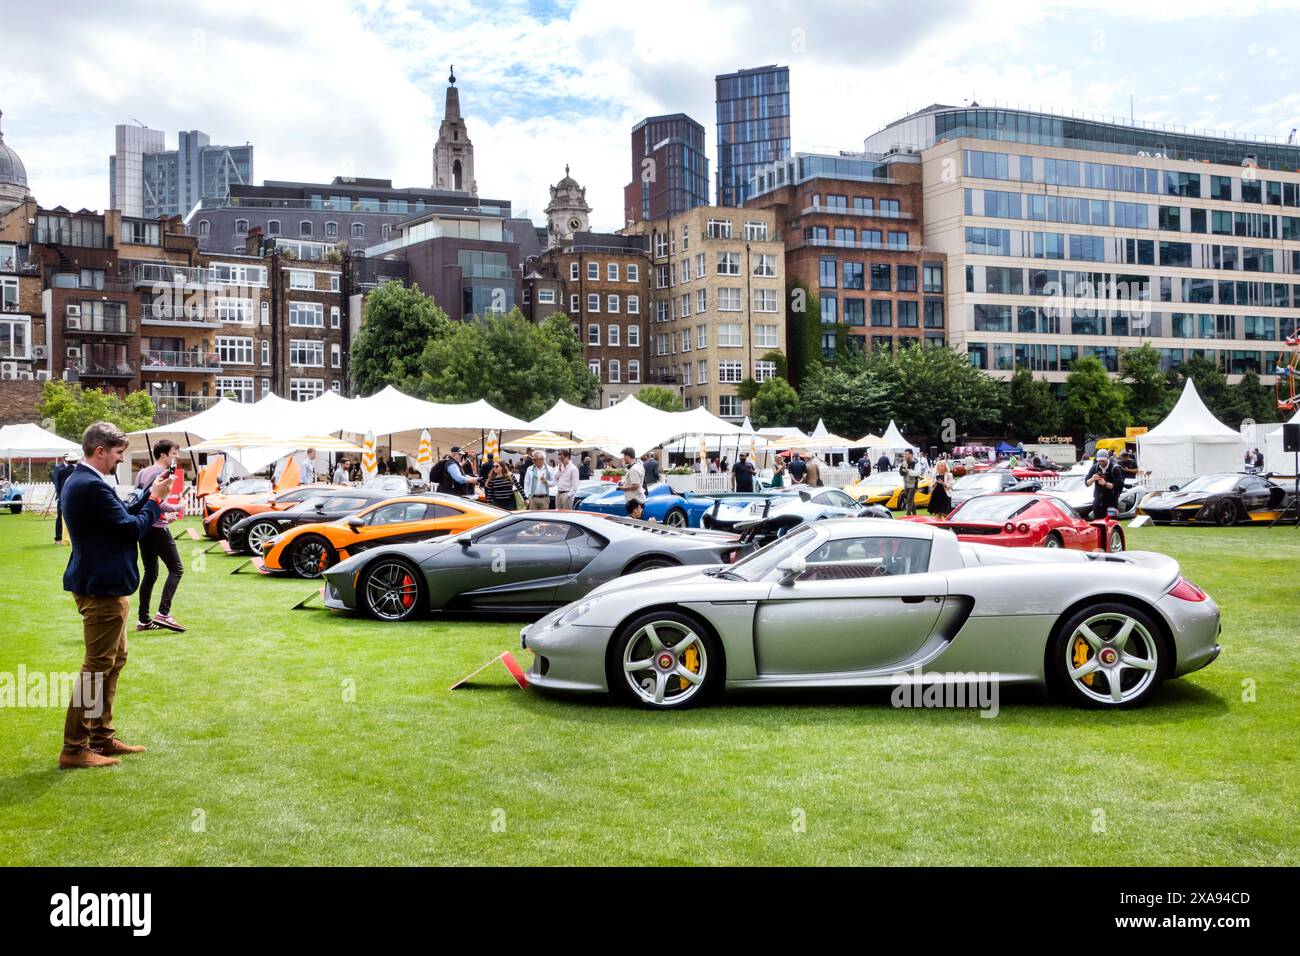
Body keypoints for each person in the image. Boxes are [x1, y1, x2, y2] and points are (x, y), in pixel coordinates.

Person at [58, 421, 172, 770]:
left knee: (113, 660)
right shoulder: (90, 485)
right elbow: (131, 529)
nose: (122, 460)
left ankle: (101, 737)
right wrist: (155, 499)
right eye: (119, 453)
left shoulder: (86, 481)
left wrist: (149, 496)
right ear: (100, 451)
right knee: (96, 667)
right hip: (102, 588)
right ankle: (75, 748)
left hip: (103, 585)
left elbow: (124, 517)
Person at [134, 440, 187, 633]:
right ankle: (163, 614)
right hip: (157, 528)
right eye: (174, 453)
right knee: (177, 569)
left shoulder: (142, 472)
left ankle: (143, 620)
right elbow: (157, 501)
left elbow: (145, 501)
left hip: (144, 526)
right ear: (163, 454)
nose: (177, 457)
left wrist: (165, 513)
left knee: (150, 573)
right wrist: (177, 507)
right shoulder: (162, 474)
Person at [1085, 448, 1124, 517]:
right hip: (1098, 498)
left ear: (1107, 458)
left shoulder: (1115, 468)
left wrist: (1105, 483)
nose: (1101, 463)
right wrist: (1093, 479)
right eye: (1099, 461)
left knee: (1111, 521)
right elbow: (1087, 483)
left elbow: (1118, 485)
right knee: (1098, 521)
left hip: (1111, 500)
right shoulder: (1095, 467)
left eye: (1103, 461)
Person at [53, 451, 78, 543]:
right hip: (74, 497)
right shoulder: (78, 470)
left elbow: (57, 484)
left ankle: (58, 538)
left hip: (62, 496)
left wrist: (60, 495)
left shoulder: (61, 471)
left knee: (60, 517)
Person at [618, 447, 646, 517]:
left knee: (635, 525)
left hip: (635, 503)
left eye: (624, 456)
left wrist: (623, 488)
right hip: (637, 501)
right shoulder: (638, 465)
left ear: (627, 456)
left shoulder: (634, 469)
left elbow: (635, 485)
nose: (623, 458)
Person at [898, 449, 920, 516]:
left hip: (913, 484)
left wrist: (908, 471)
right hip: (906, 484)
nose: (905, 455)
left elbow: (917, 473)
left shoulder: (916, 463)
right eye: (904, 454)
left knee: (909, 499)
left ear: (911, 455)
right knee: (910, 499)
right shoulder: (903, 463)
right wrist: (902, 471)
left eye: (906, 454)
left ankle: (908, 514)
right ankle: (914, 514)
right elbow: (900, 473)